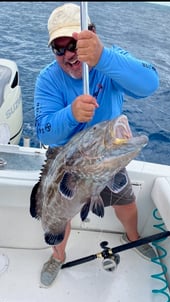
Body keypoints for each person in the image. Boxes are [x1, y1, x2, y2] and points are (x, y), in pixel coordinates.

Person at [34, 3, 159, 287]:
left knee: (126, 202)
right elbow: (45, 131)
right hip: (67, 161)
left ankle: (133, 237)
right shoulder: (47, 80)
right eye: (59, 48)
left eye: (75, 43)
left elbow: (149, 84)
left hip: (108, 152)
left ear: (92, 34)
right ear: (53, 50)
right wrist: (71, 114)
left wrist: (102, 58)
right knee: (60, 213)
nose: (69, 54)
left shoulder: (110, 61)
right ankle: (58, 255)